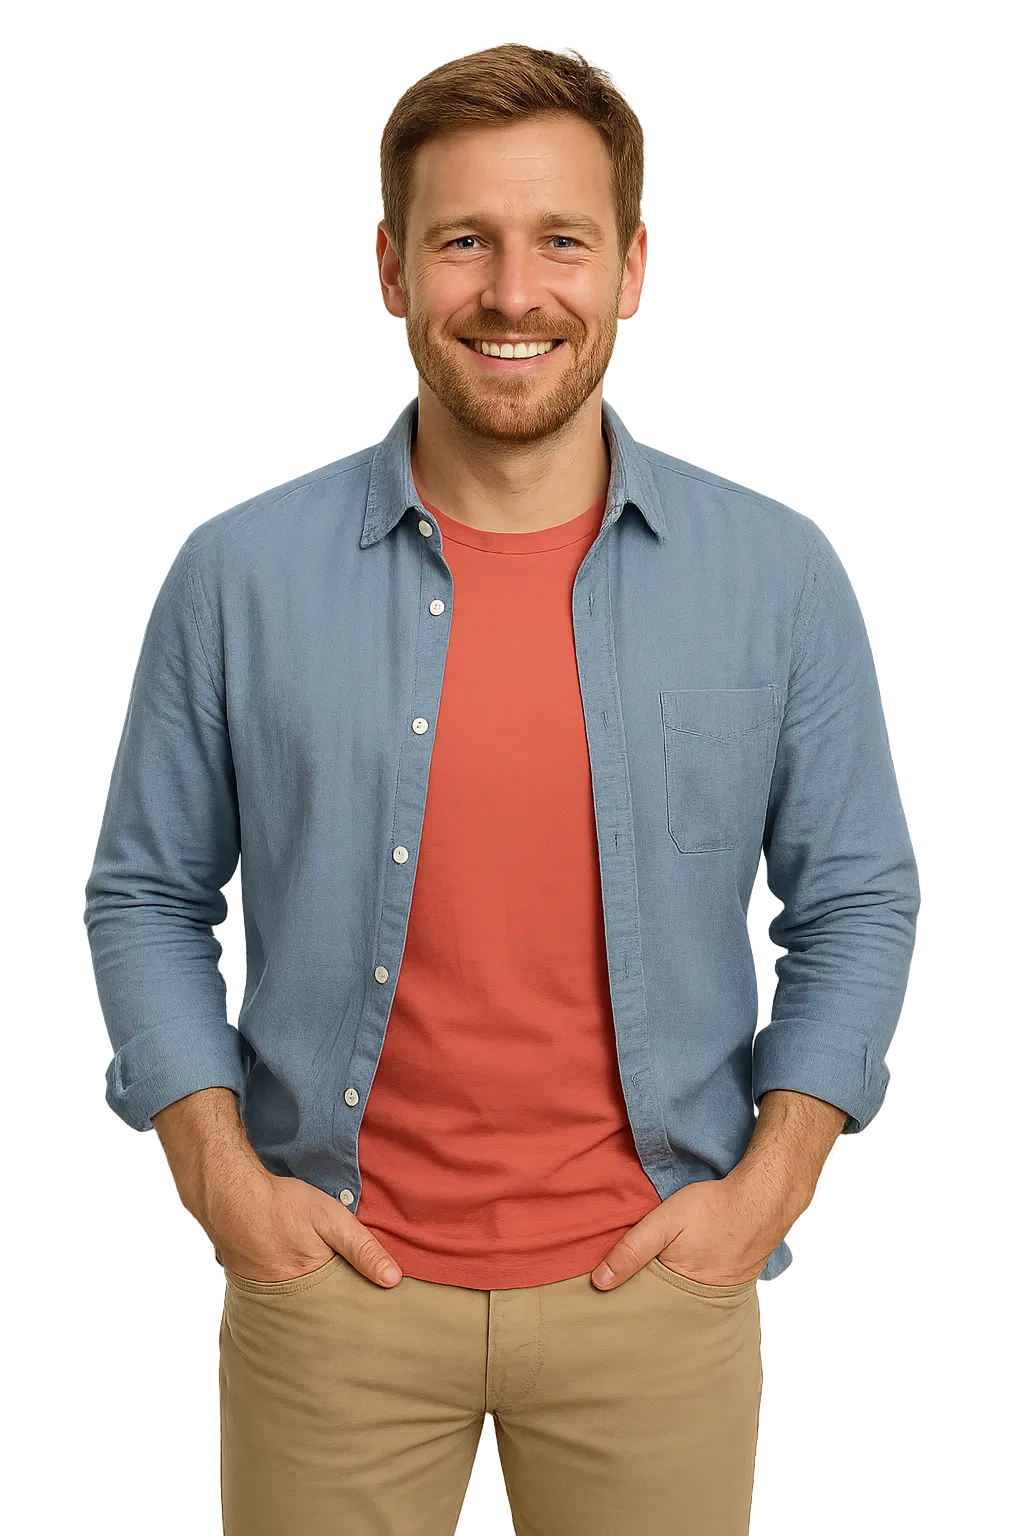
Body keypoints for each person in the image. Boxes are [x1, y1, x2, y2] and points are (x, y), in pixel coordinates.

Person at [84, 42, 920, 1536]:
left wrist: (769, 1192)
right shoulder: (234, 574)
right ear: (391, 272)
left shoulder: (777, 576)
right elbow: (147, 893)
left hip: (655, 1296)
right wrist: (222, 1185)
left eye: (562, 241)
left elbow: (855, 895)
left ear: (632, 268)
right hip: (330, 1295)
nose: (515, 293)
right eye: (464, 240)